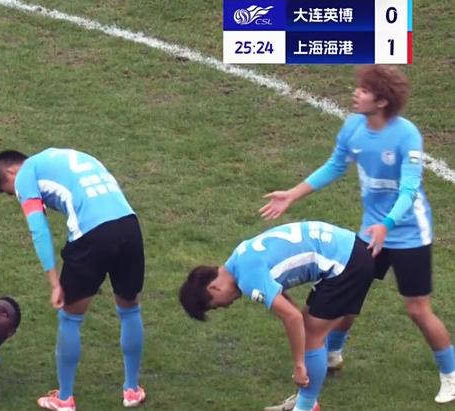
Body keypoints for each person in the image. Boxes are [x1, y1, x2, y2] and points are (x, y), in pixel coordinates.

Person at [259, 65, 455, 406]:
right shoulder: (353, 127)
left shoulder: (407, 135)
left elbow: (409, 189)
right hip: (370, 231)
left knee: (417, 310)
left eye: (363, 90)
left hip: (410, 234)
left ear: (381, 101)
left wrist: (387, 224)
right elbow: (335, 165)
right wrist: (293, 194)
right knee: (347, 295)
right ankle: (332, 355)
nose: (355, 93)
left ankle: (450, 375)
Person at [0, 148, 146, 410]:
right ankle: (132, 390)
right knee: (130, 310)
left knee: (70, 318)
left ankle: (64, 398)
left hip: (91, 234)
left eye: (11, 191)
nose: (17, 196)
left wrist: (54, 283)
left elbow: (38, 230)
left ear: (11, 171)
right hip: (129, 226)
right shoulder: (70, 157)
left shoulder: (26, 173)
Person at [180, 221, 375, 411]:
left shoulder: (248, 279)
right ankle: (330, 358)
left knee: (311, 335)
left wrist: (299, 364)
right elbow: (283, 298)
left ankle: (306, 407)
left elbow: (292, 318)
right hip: (350, 247)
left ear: (213, 288)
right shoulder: (237, 258)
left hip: (347, 265)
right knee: (315, 321)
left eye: (215, 306)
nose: (225, 307)